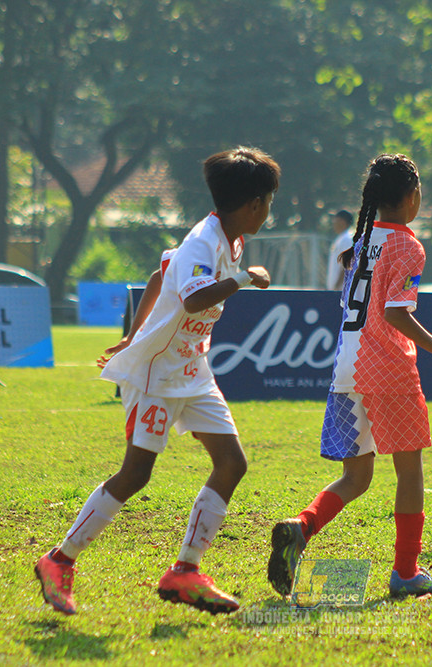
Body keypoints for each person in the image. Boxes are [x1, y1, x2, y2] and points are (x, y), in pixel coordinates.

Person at [34, 147, 280, 616]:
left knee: (232, 463)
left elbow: (157, 274)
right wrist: (245, 281)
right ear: (253, 203)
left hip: (192, 369)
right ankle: (58, 560)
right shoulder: (202, 242)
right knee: (136, 473)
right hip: (156, 376)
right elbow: (190, 299)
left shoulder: (230, 238)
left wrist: (132, 332)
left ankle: (185, 572)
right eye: (269, 201)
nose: (270, 210)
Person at [266, 154, 432, 600]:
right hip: (387, 369)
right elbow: (396, 312)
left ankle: (301, 528)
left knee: (357, 477)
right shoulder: (408, 246)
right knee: (410, 473)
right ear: (413, 196)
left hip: (346, 367)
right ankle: (405, 572)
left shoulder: (360, 242)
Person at [326, 210, 354, 291]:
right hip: (337, 289)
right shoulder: (341, 238)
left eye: (335, 219)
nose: (333, 223)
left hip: (341, 290)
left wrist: (336, 287)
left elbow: (347, 263)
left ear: (342, 221)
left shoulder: (347, 239)